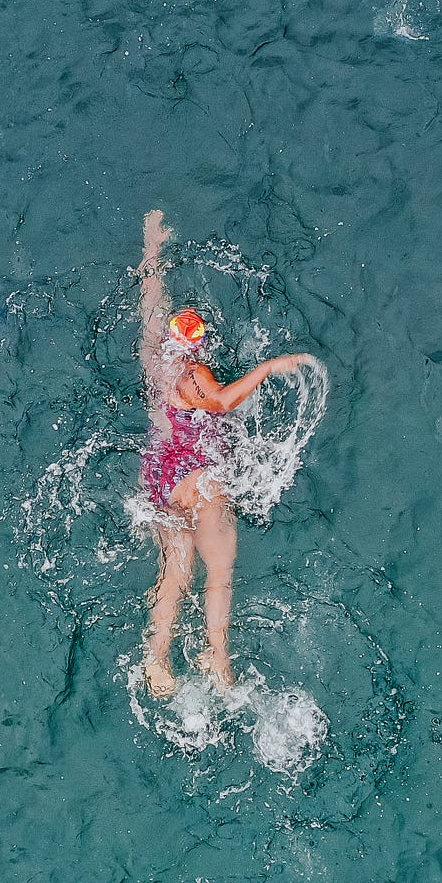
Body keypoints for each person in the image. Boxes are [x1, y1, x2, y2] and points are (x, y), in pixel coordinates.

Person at [137, 210, 311, 697]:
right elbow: (218, 402)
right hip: (195, 476)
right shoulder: (194, 374)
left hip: (159, 476)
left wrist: (152, 245)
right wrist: (269, 368)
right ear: (196, 344)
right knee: (220, 565)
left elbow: (150, 300)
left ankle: (156, 661)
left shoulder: (155, 357)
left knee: (176, 569)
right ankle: (216, 653)